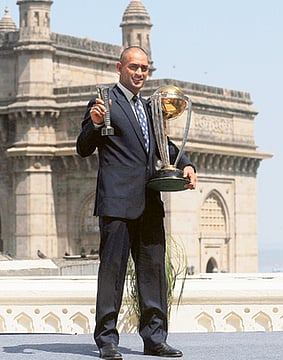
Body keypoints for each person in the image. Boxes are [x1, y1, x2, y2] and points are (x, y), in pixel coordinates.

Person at [76, 46, 197, 359]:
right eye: (134, 67)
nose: (140, 73)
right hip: (117, 204)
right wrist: (92, 122)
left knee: (153, 273)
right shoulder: (105, 102)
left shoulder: (149, 108)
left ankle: (155, 338)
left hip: (149, 203)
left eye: (144, 68)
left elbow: (162, 145)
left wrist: (186, 163)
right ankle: (106, 340)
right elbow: (83, 147)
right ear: (120, 68)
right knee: (112, 274)